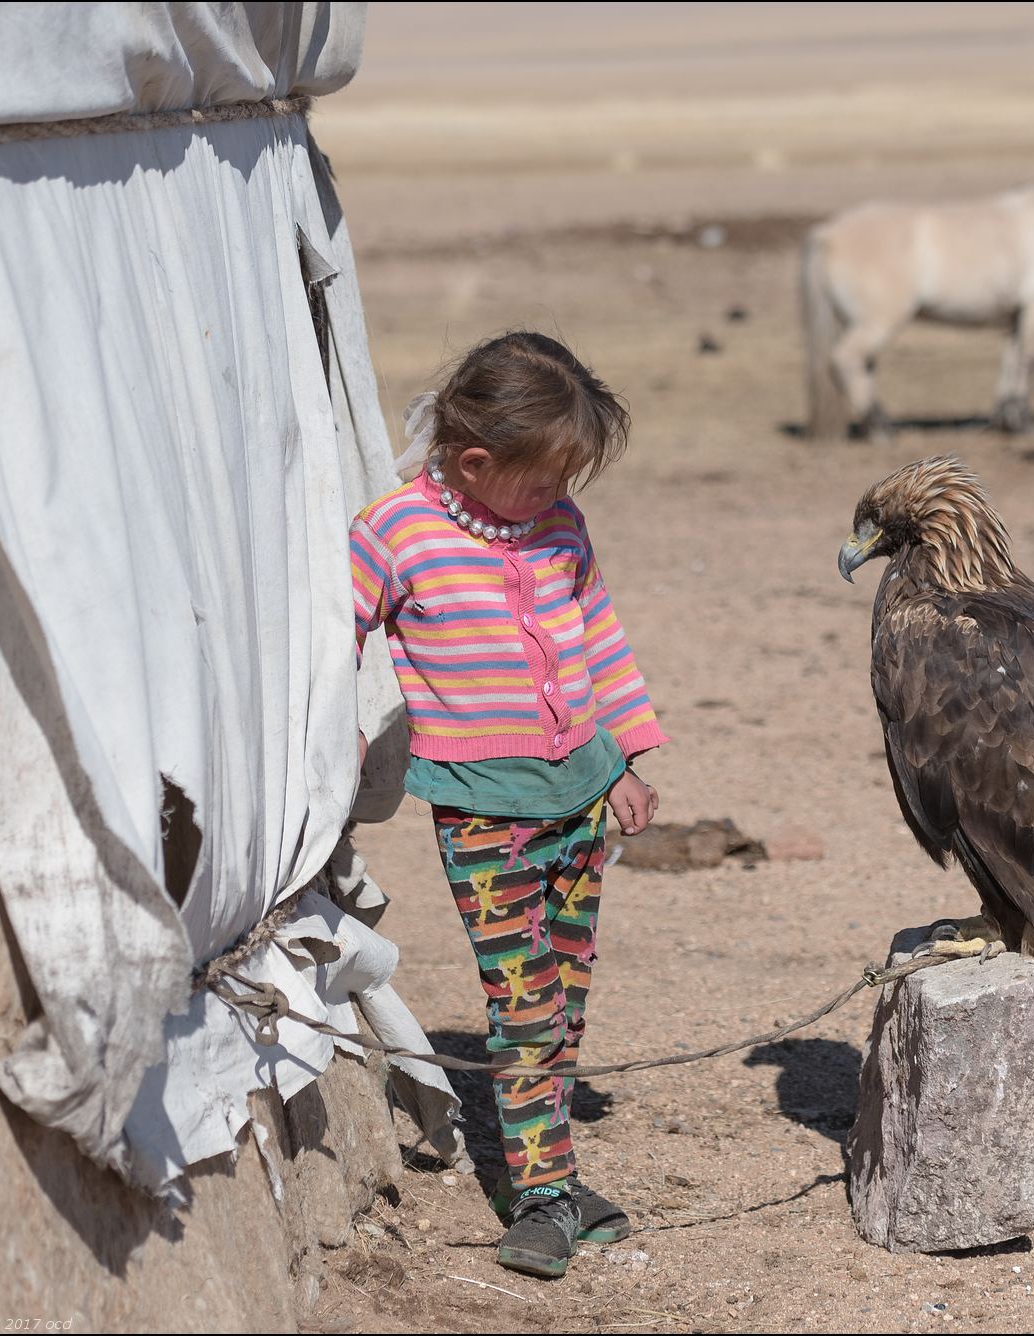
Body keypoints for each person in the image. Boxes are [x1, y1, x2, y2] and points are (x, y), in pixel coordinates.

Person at [349, 330, 664, 1278]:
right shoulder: (395, 532)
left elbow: (595, 638)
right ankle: (541, 1197)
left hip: (579, 796)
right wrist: (338, 734)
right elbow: (331, 632)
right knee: (522, 1007)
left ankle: (554, 1170)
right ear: (474, 461)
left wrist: (628, 756)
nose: (558, 496)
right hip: (483, 813)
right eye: (544, 477)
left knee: (563, 1002)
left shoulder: (559, 527)